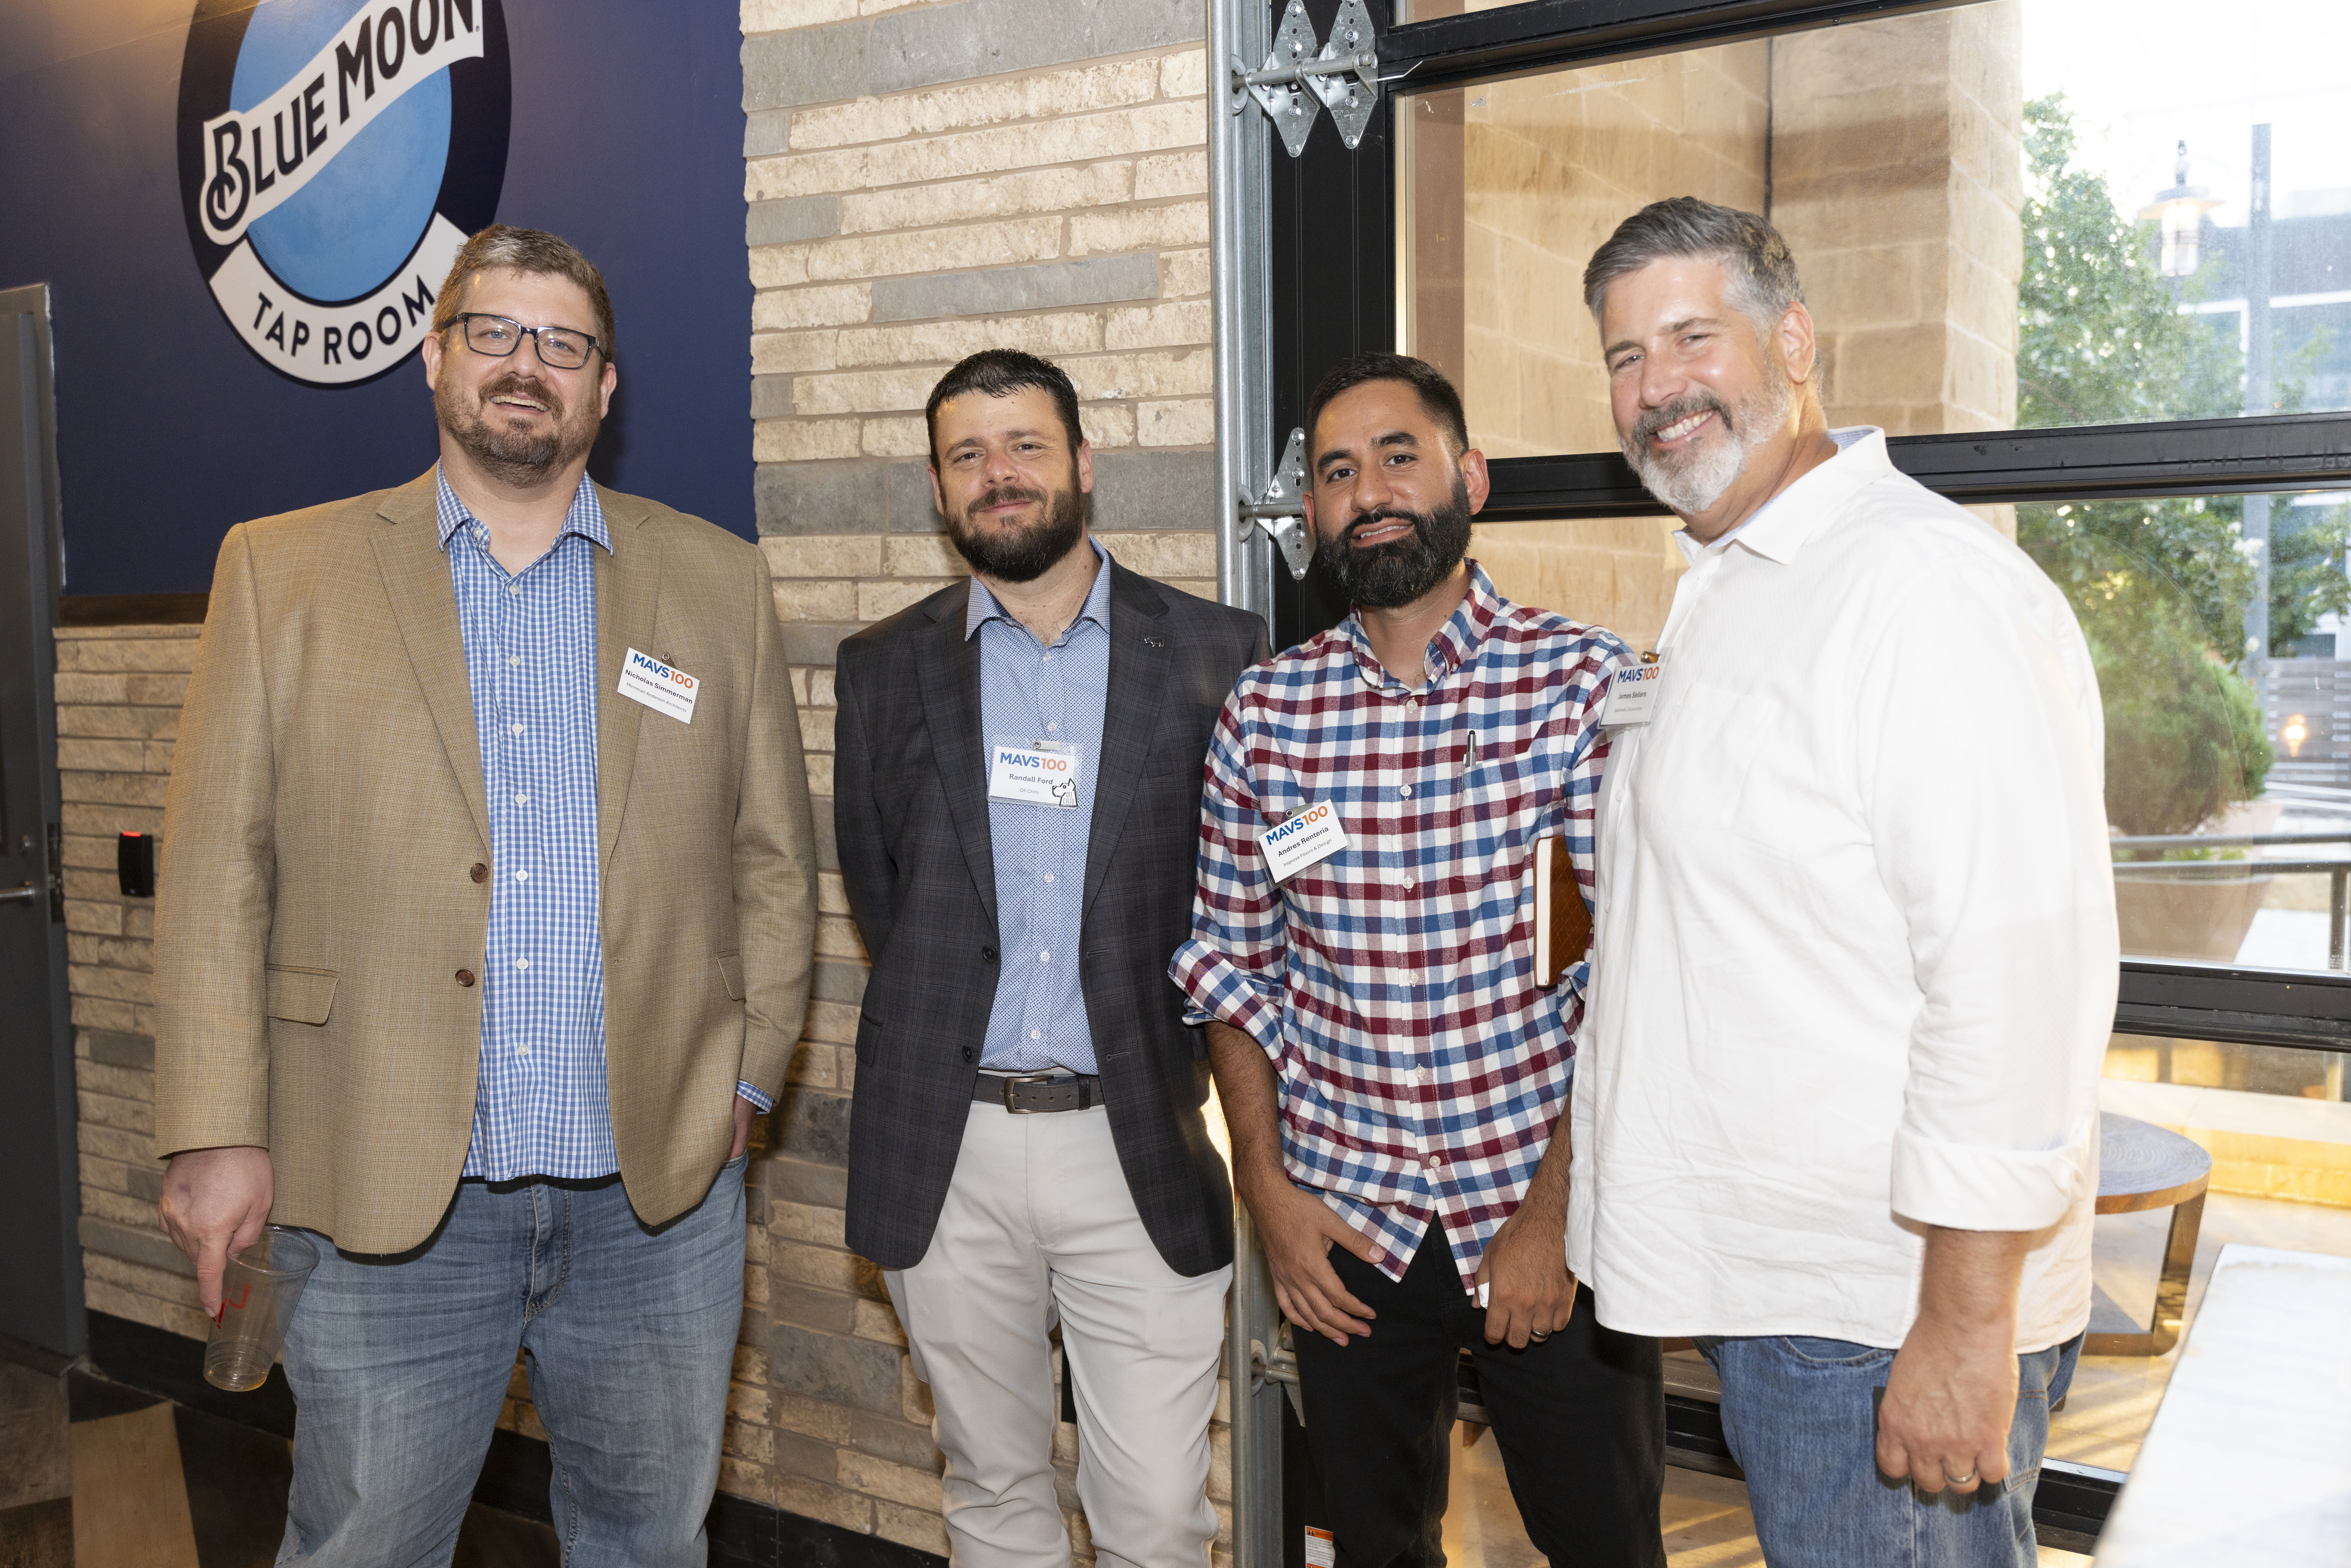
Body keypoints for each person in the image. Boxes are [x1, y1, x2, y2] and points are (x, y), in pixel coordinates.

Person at [152, 224, 816, 1567]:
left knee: (648, 1542)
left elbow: (774, 867)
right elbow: (219, 866)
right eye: (497, 332)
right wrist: (216, 1126)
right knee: (365, 1545)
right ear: (432, 353)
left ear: (605, 390)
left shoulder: (716, 580)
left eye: (565, 345)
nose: (530, 366)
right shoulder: (283, 571)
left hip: (656, 1202)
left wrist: (745, 1085)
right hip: (392, 1190)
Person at [1569, 197, 2117, 1565]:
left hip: (1880, 1322)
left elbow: (2012, 973)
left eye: (1692, 338)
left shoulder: (1919, 590)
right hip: (1799, 1307)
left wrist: (1963, 1324)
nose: (1656, 388)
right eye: (1626, 358)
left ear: (1794, 342)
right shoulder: (1738, 584)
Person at [1172, 353, 1665, 1568]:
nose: (1369, 489)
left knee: (1606, 1543)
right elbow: (1234, 971)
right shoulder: (1267, 717)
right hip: (1349, 1230)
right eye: (1338, 471)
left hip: (1546, 1216)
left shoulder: (1584, 688)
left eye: (1400, 455)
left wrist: (1558, 1210)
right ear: (1314, 513)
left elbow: (1630, 977)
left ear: (1471, 477)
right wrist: (1272, 1201)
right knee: (1377, 1549)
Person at [832, 350, 1266, 1568]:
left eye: (1024, 445)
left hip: (1138, 1138)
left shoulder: (1217, 654)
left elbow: (1243, 900)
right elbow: (889, 893)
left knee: (1156, 1515)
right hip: (950, 1146)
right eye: (968, 456)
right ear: (937, 488)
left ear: (1082, 462)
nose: (999, 476)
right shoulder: (881, 667)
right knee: (993, 1489)